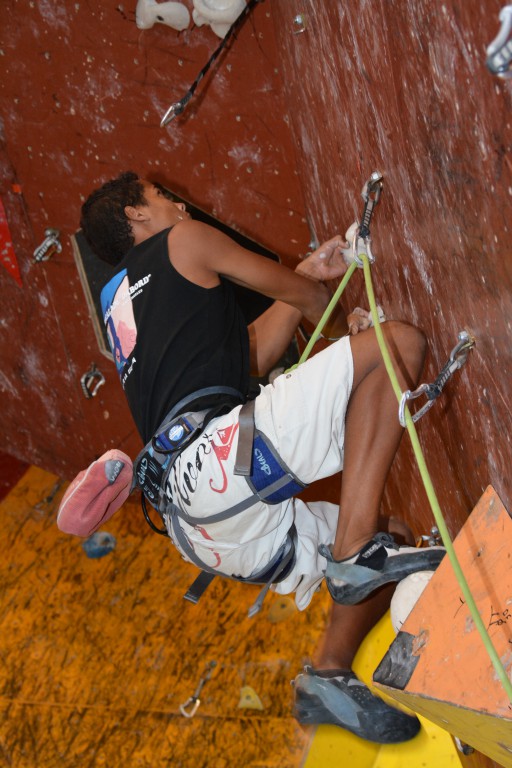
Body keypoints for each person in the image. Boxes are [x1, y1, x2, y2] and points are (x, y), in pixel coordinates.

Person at [79, 171, 444, 744]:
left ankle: (327, 672)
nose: (179, 204)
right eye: (161, 197)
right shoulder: (183, 239)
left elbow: (249, 357)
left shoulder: (121, 305)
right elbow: (311, 302)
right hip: (217, 462)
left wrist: (306, 273)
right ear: (136, 216)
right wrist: (342, 324)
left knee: (389, 531)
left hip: (194, 526)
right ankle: (355, 552)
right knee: (398, 346)